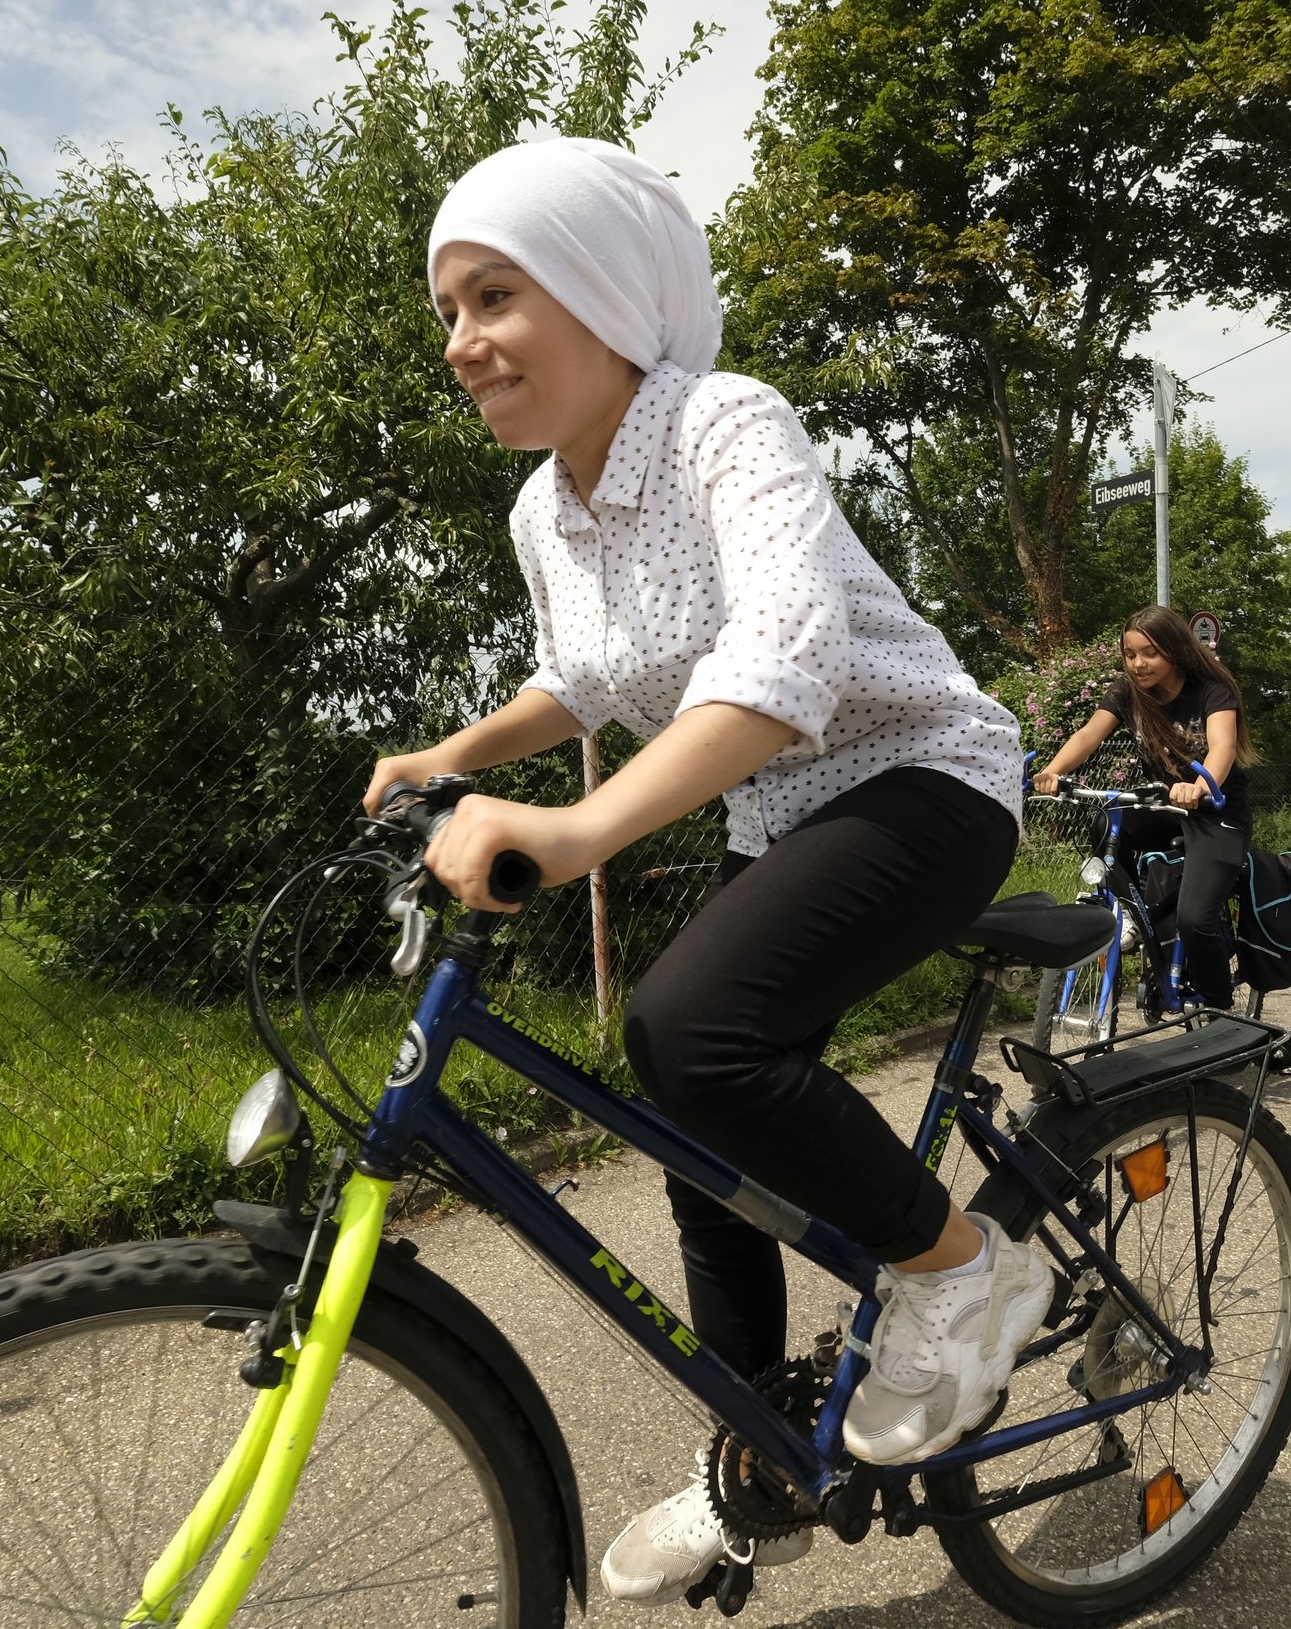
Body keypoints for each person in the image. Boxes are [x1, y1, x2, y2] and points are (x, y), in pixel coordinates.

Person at [369, 137, 1054, 1607]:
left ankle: (958, 1268)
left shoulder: (724, 424)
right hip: (779, 815)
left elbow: (784, 661)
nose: (459, 343)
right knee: (681, 1092)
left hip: (922, 777)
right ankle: (755, 1448)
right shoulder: (543, 507)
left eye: (493, 293)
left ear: (606, 293)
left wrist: (575, 828)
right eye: (448, 308)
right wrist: (457, 748)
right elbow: (584, 675)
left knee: (694, 1025)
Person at [1031, 606, 1253, 1010]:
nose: (1137, 664)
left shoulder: (1211, 690)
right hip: (1164, 805)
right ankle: (1131, 912)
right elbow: (1088, 736)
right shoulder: (1126, 692)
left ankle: (1222, 1014)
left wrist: (1202, 786)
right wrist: (1052, 772)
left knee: (1195, 918)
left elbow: (1222, 745)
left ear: (1175, 650)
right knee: (1106, 823)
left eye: (1148, 653)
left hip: (1215, 811)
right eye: (1130, 654)